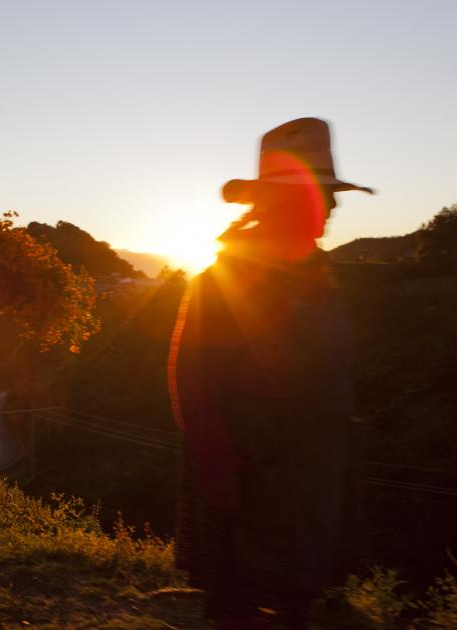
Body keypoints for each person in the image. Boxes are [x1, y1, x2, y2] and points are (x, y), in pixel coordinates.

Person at [168, 118, 370, 628]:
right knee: (240, 602)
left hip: (312, 481)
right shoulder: (227, 279)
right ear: (285, 203)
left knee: (293, 601)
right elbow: (195, 381)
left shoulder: (319, 277)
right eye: (321, 195)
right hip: (250, 478)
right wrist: (217, 468)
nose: (333, 207)